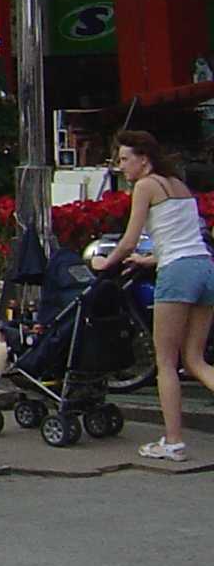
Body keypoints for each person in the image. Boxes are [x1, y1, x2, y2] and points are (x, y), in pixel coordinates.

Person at [91, 129, 214, 462]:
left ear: (143, 159)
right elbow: (186, 236)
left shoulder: (145, 186)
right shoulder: (179, 186)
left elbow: (129, 239)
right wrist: (150, 259)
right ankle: (173, 439)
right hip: (204, 268)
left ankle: (173, 442)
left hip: (177, 273)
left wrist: (106, 262)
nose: (122, 167)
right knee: (196, 359)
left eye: (125, 159)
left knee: (166, 363)